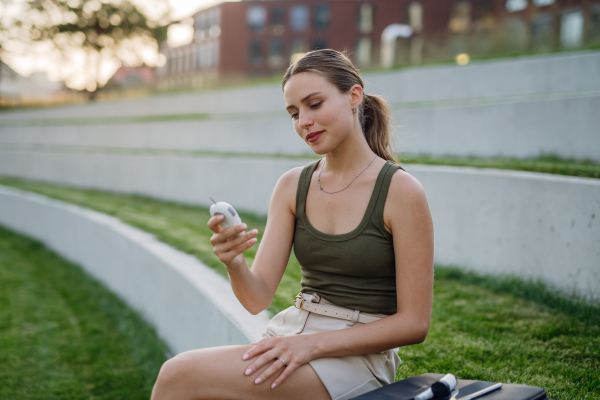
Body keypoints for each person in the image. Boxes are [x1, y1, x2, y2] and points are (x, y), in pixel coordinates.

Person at [150, 49, 434, 400]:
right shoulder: (291, 185)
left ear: (354, 97)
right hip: (291, 336)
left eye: (314, 104)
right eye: (294, 113)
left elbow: (414, 324)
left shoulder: (402, 191)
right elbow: (257, 298)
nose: (304, 122)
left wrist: (313, 346)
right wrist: (234, 262)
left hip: (356, 358)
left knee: (179, 375)